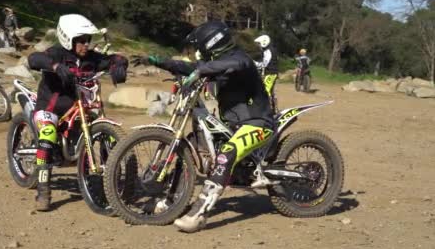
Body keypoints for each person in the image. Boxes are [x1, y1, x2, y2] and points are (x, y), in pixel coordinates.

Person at [139, 20, 275, 233]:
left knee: (225, 155)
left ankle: (199, 214)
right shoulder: (219, 61)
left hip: (257, 123)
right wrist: (159, 61)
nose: (198, 52)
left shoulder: (239, 59)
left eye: (200, 47)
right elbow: (193, 67)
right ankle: (171, 201)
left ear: (211, 44)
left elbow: (225, 66)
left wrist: (201, 70)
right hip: (232, 125)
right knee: (190, 145)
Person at [27, 14, 129, 211]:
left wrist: (119, 67)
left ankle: (109, 180)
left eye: (87, 41)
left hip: (80, 106)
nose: (85, 45)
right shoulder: (56, 53)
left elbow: (117, 58)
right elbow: (33, 58)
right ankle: (43, 191)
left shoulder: (91, 58)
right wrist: (56, 67)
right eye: (80, 41)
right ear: (68, 39)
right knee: (47, 136)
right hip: (50, 106)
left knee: (97, 126)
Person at [253, 34, 278, 109]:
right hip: (272, 73)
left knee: (265, 91)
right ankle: (273, 108)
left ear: (264, 42)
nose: (259, 46)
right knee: (270, 90)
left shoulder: (268, 51)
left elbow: (264, 63)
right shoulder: (272, 49)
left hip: (271, 73)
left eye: (259, 43)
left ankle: (267, 110)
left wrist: (254, 63)